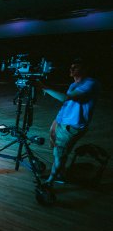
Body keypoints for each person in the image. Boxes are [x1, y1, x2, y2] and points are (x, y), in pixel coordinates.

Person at [38, 58, 100, 186]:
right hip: (63, 124)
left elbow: (66, 98)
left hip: (72, 126)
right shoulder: (73, 85)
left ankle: (51, 181)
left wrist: (45, 88)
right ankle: (60, 173)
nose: (71, 69)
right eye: (71, 67)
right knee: (60, 152)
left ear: (85, 69)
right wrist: (56, 122)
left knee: (59, 153)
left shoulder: (90, 83)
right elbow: (67, 105)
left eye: (76, 67)